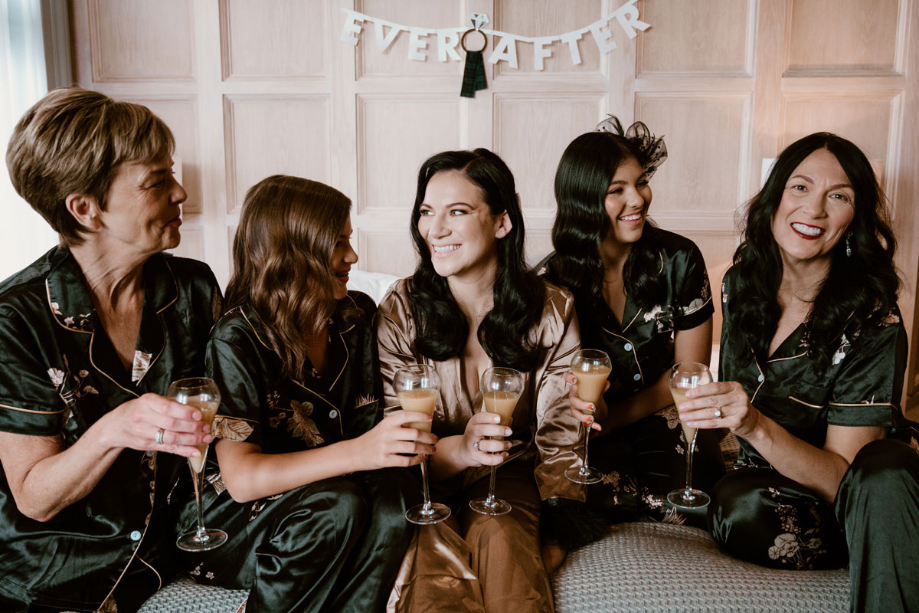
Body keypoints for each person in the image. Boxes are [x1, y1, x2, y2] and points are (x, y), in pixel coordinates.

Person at [677, 133, 919, 612]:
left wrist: (753, 426)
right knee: (729, 500)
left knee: (744, 508)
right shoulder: (740, 282)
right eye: (800, 188)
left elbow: (844, 482)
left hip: (852, 496)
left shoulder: (874, 319)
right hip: (763, 481)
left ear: (855, 220)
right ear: (775, 199)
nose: (814, 211)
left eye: (839, 196)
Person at [0, 87, 219, 612]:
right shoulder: (17, 319)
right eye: (157, 181)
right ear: (86, 209)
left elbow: (227, 415)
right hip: (62, 571)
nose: (181, 192)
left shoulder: (191, 287)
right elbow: (35, 495)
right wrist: (118, 425)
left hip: (179, 545)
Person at [179, 175, 430, 613]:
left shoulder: (357, 318)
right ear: (294, 250)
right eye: (338, 243)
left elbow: (377, 442)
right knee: (339, 504)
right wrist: (359, 453)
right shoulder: (237, 339)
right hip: (243, 522)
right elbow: (241, 481)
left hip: (338, 499)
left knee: (396, 497)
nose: (352, 256)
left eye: (349, 241)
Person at [377, 149, 582, 613]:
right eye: (427, 212)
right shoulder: (401, 309)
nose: (436, 229)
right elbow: (397, 437)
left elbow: (560, 432)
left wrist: (560, 527)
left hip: (508, 477)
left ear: (502, 222)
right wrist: (461, 450)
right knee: (431, 573)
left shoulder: (552, 308)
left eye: (458, 211)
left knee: (504, 540)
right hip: (424, 484)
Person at [541, 119, 724, 561]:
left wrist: (614, 416)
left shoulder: (680, 259)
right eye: (616, 190)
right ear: (583, 202)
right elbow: (563, 405)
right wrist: (592, 416)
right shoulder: (552, 285)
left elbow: (688, 377)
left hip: (665, 412)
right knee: (559, 491)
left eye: (640, 183)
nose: (637, 199)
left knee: (700, 492)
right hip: (591, 431)